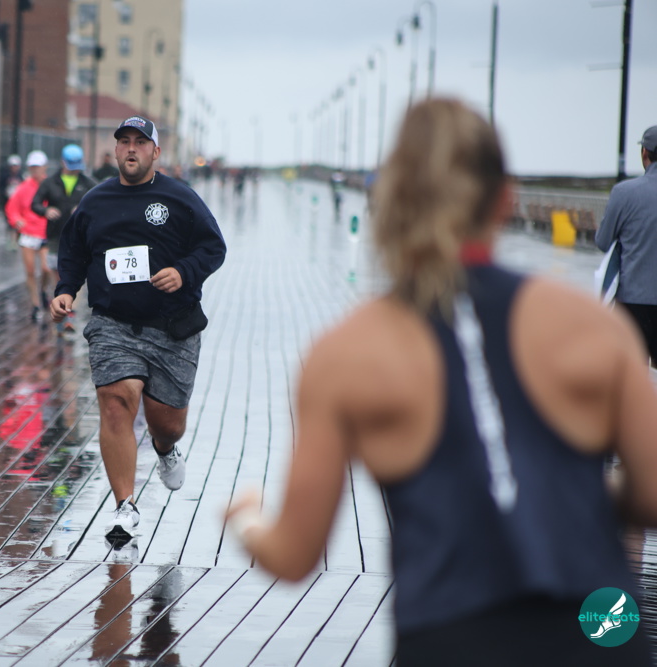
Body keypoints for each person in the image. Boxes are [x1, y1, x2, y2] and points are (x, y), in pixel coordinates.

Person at [224, 99, 657, 664]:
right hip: (601, 632)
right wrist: (570, 485)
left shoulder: (346, 352)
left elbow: (294, 555)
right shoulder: (594, 327)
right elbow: (651, 494)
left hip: (451, 637)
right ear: (505, 199)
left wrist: (246, 519)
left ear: (389, 201)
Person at [50, 116, 227, 546]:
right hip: (113, 325)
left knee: (167, 424)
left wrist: (183, 272)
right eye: (124, 141)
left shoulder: (179, 197)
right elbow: (73, 251)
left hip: (172, 328)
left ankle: (165, 448)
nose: (131, 148)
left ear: (155, 152)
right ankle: (125, 507)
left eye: (140, 142)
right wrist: (66, 290)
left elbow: (213, 247)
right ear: (115, 151)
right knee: (116, 403)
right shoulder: (95, 201)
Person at [595, 125, 657, 366]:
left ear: (644, 152)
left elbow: (602, 242)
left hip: (633, 301)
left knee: (632, 374)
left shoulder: (624, 192)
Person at [31, 143, 97, 332]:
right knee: (57, 273)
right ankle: (60, 307)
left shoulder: (88, 183)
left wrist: (83, 209)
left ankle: (71, 313)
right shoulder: (50, 182)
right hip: (55, 236)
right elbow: (35, 203)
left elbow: (99, 204)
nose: (75, 170)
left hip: (79, 237)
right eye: (71, 166)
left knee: (76, 272)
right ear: (62, 162)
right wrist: (46, 211)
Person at [5, 150, 51, 323]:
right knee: (30, 271)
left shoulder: (50, 186)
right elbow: (11, 208)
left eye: (38, 167)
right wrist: (16, 220)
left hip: (45, 232)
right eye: (32, 167)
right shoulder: (23, 188)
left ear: (45, 167)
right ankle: (35, 304)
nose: (35, 170)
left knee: (46, 268)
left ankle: (43, 290)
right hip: (28, 233)